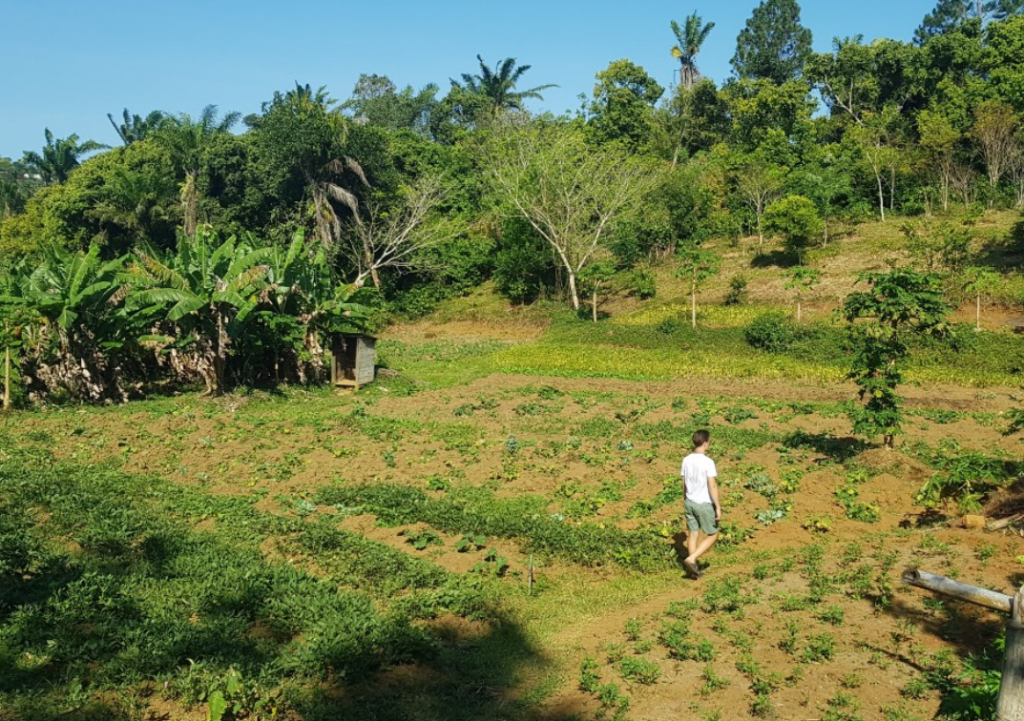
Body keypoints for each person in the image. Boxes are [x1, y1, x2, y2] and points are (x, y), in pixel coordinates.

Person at [681, 429, 720, 579]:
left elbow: (683, 482)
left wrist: (685, 498)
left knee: (693, 533)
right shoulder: (708, 462)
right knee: (713, 534)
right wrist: (718, 507)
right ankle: (691, 559)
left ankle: (693, 570)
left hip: (689, 501)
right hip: (703, 503)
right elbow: (712, 486)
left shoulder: (686, 460)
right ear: (705, 443)